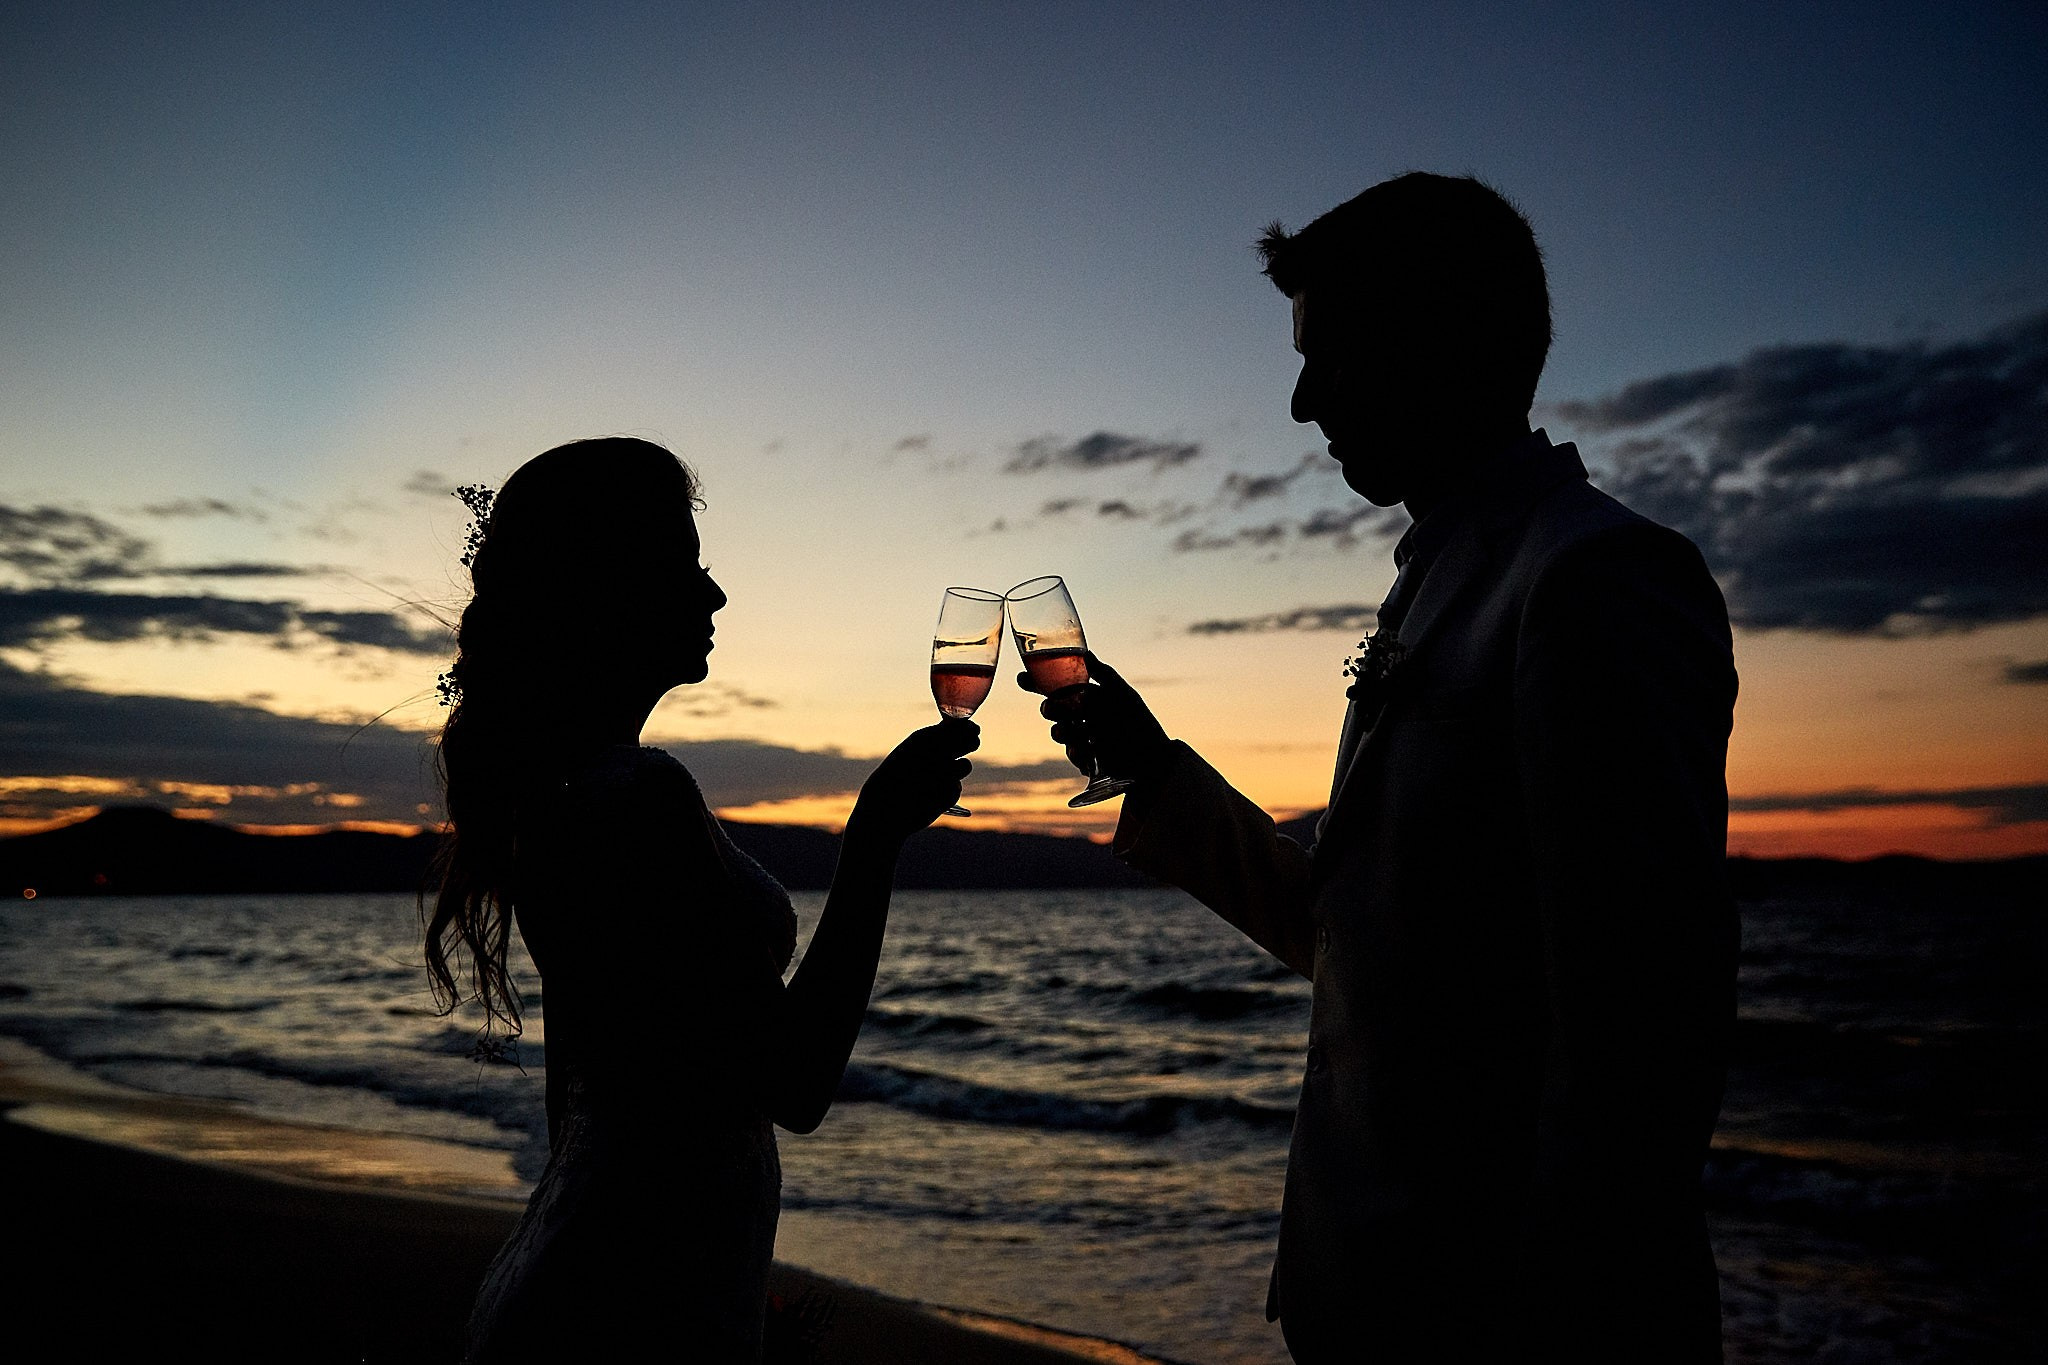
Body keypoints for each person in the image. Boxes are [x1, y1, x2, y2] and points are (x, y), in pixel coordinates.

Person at [1027, 174, 1738, 1361]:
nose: (1301, 401)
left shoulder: (1593, 578)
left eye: (1327, 356)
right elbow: (1365, 940)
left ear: (1435, 341)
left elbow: (1642, 1027)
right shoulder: (1439, 578)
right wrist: (1155, 774)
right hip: (1372, 1300)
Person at [423, 437, 976, 1362]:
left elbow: (583, 1091)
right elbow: (795, 1082)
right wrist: (875, 837)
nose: (715, 594)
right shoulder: (639, 802)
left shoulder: (565, 798)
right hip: (629, 1315)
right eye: (686, 565)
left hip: (590, 1280)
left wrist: (727, 1287)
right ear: (612, 590)